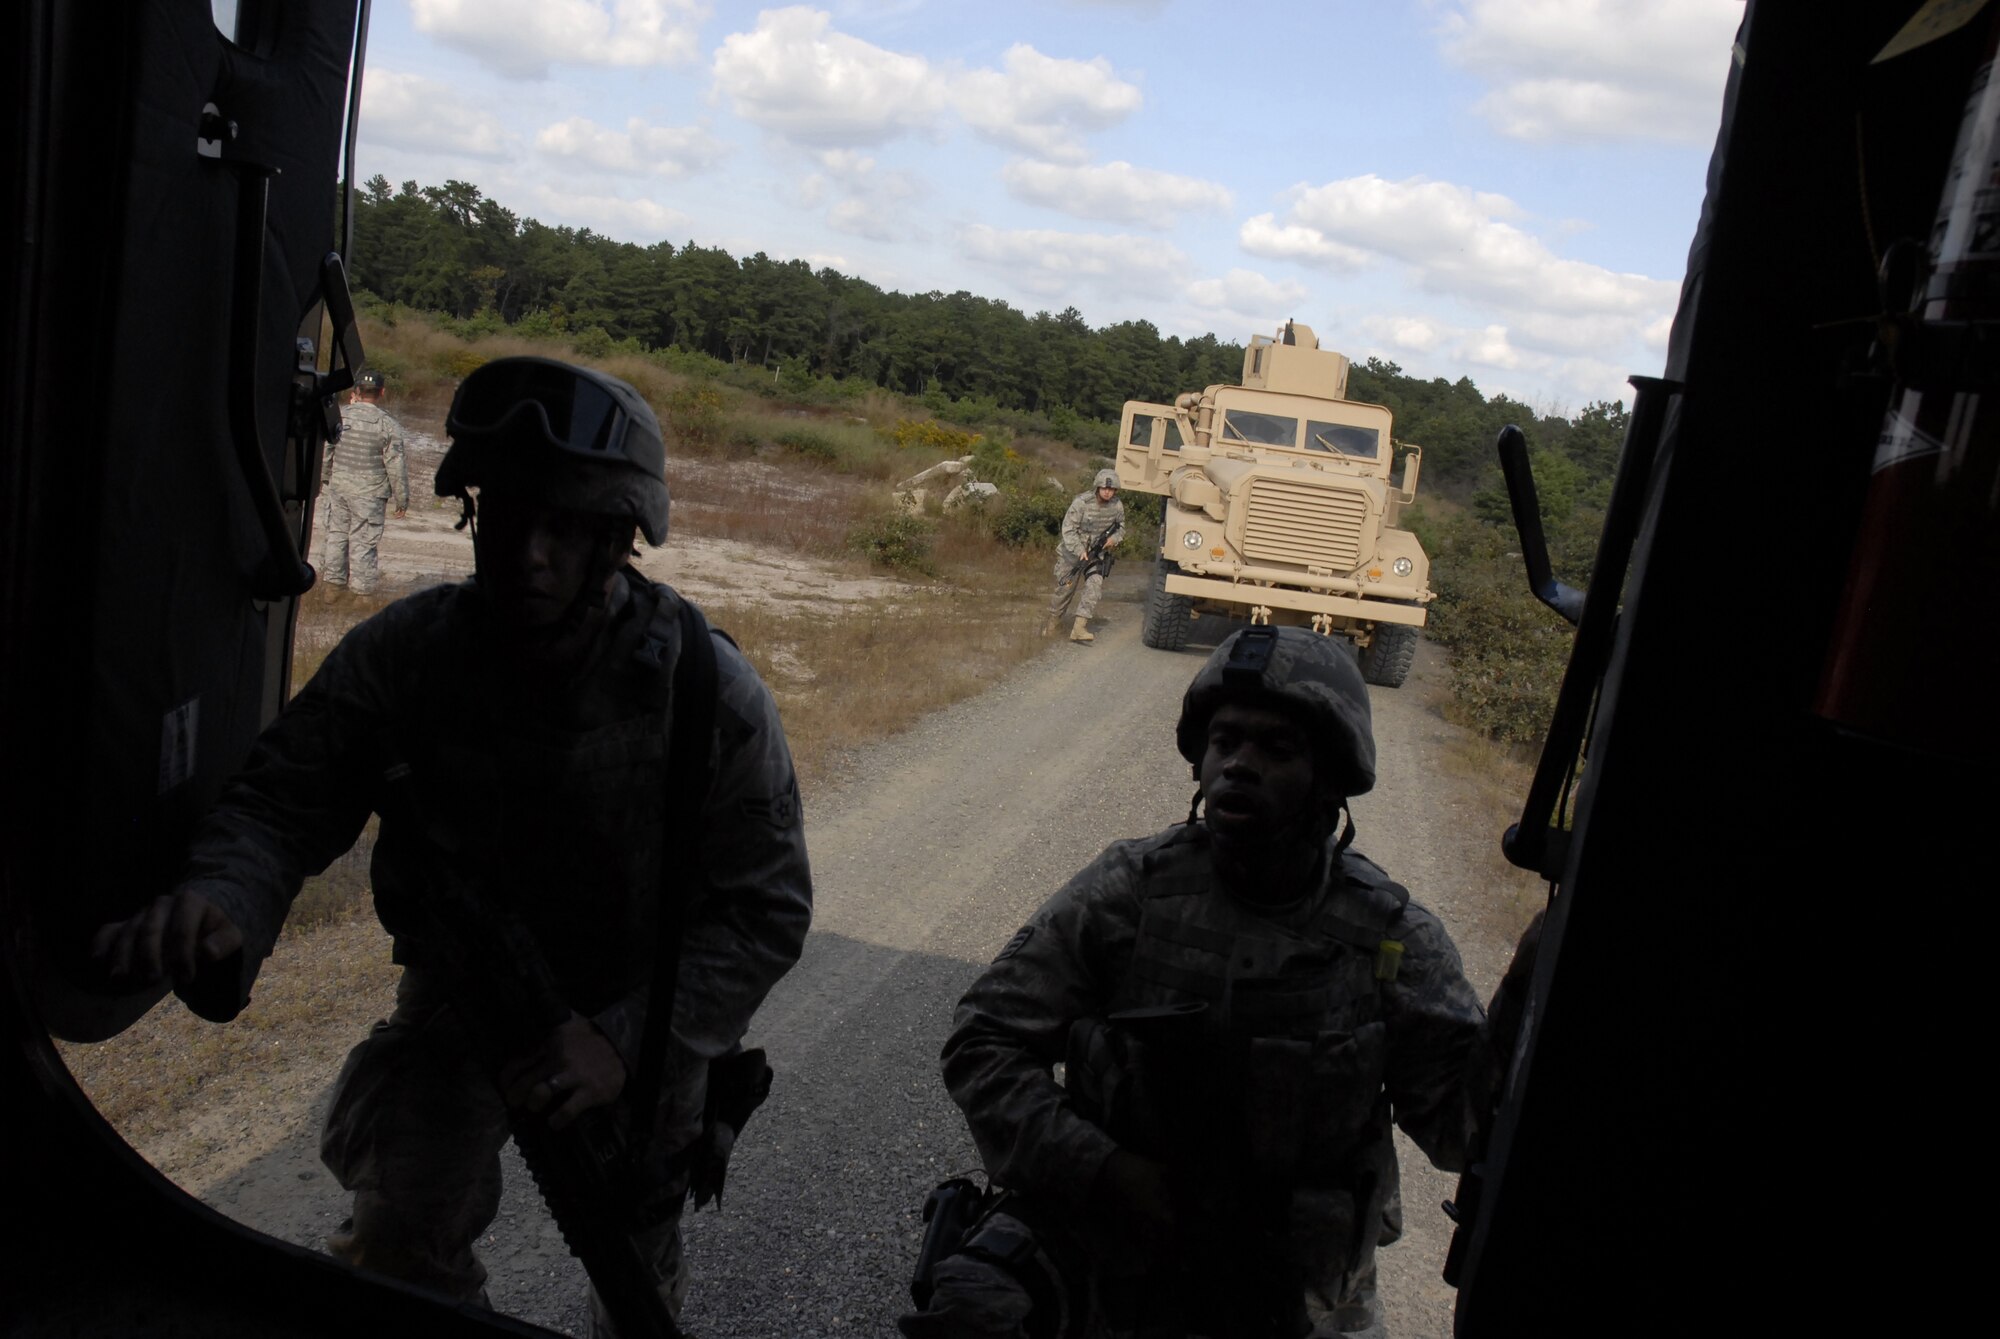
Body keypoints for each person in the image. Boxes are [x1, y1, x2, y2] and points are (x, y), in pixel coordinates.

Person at [91, 357, 814, 1336]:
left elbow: (766, 906)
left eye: (564, 527)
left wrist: (618, 1040)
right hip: (464, 994)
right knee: (396, 1240)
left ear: (617, 539)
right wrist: (226, 897)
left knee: (632, 1265)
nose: (528, 554)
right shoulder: (411, 654)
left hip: (636, 1012)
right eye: (509, 517)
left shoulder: (702, 690)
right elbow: (282, 802)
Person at [900, 626, 1541, 1339]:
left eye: (1277, 748)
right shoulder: (1131, 893)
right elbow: (984, 1041)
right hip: (1107, 1249)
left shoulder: (1388, 936)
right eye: (1225, 741)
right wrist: (1108, 1171)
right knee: (972, 1309)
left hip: (1295, 1291)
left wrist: (1527, 988)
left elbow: (1461, 1133)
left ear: (1330, 778)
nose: (1239, 765)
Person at [320, 366, 410, 595]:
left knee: (336, 536)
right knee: (363, 543)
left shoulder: (340, 415)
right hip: (369, 494)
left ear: (357, 390)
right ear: (382, 393)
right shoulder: (388, 425)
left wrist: (325, 480)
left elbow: (326, 452)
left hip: (339, 488)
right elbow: (396, 466)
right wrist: (402, 499)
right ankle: (361, 596)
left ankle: (332, 588)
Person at [1045, 469, 1126, 643]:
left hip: (1096, 554)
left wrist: (1114, 539)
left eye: (1111, 490)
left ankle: (1079, 628)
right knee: (1065, 590)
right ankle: (1052, 625)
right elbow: (1068, 529)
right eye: (1104, 488)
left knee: (1094, 587)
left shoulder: (1117, 506)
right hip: (1072, 554)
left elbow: (1121, 528)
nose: (1107, 492)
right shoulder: (1081, 503)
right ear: (1097, 487)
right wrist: (1079, 549)